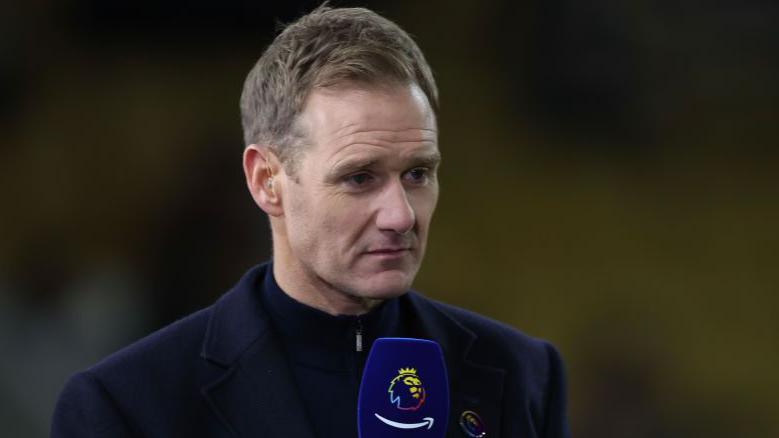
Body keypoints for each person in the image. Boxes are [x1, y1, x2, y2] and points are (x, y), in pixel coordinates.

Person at [51, 5, 570, 438]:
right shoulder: (126, 407)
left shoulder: (522, 376)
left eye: (417, 173)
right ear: (265, 181)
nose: (401, 215)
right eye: (359, 178)